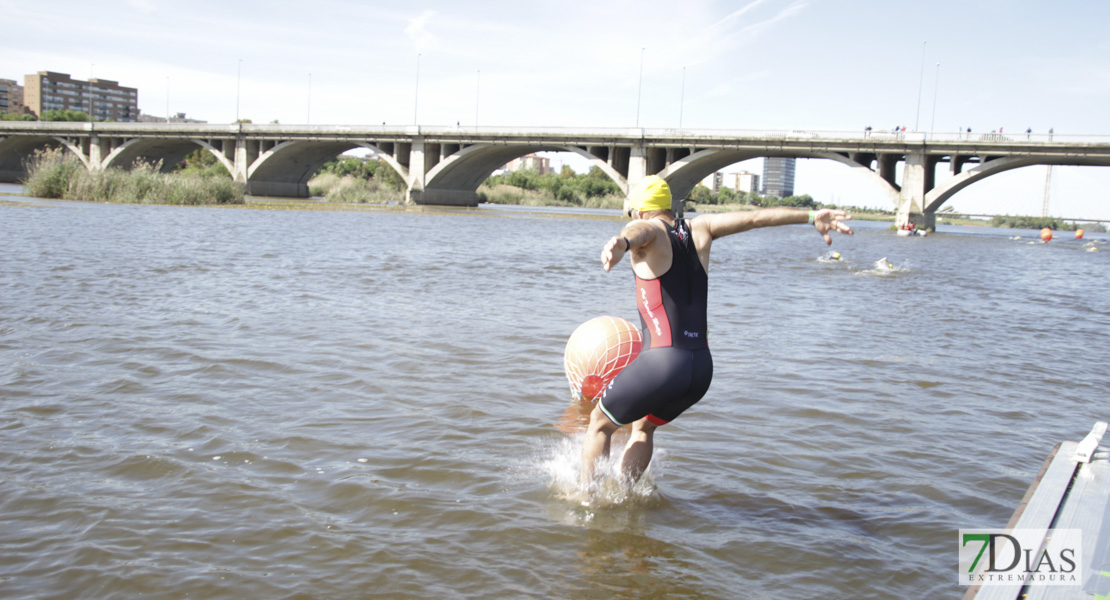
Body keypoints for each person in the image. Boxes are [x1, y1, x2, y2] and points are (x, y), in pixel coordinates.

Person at [580, 175, 853, 486]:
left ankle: (588, 501)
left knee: (600, 423)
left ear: (641, 210)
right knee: (643, 426)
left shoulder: (649, 229)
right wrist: (810, 216)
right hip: (700, 368)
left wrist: (622, 242)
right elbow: (754, 218)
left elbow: (642, 231)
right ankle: (623, 496)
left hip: (664, 363)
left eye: (631, 213)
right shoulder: (702, 227)